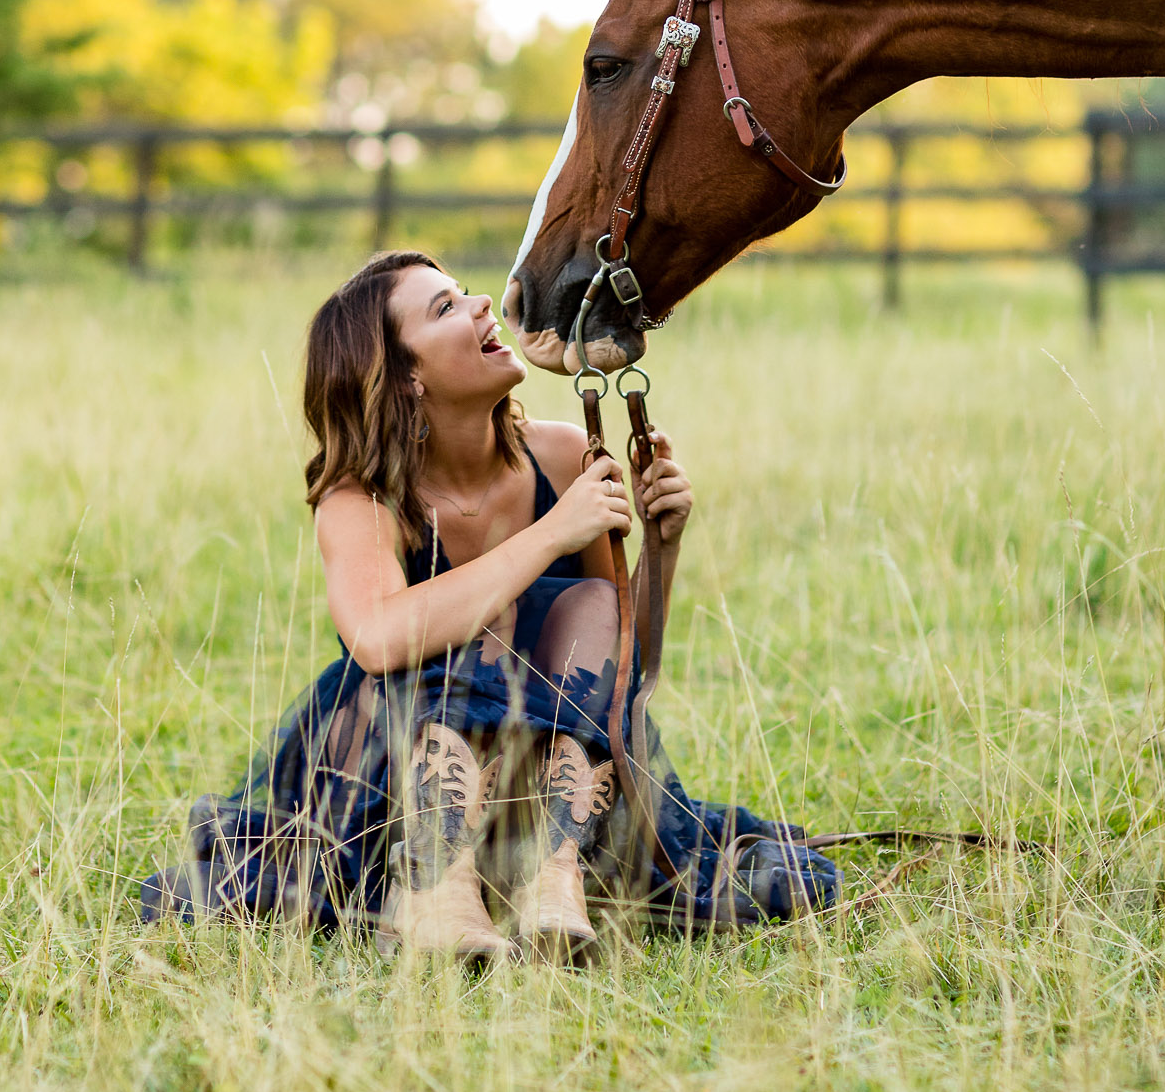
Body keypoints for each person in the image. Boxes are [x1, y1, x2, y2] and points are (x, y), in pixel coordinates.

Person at [141, 250, 837, 958]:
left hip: (535, 782)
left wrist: (661, 547)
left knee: (594, 601)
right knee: (490, 622)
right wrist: (551, 534)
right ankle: (433, 885)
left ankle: (551, 875)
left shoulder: (561, 455)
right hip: (388, 774)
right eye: (444, 308)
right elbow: (378, 638)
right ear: (406, 377)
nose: (481, 305)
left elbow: (623, 667)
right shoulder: (359, 499)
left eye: (467, 293)